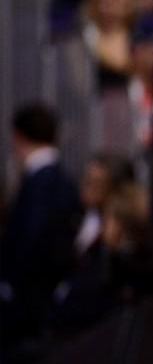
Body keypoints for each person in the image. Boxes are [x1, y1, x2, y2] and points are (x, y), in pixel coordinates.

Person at [0, 104, 81, 362]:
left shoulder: (40, 182)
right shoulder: (62, 180)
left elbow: (30, 239)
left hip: (28, 306)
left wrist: (10, 286)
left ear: (18, 137)